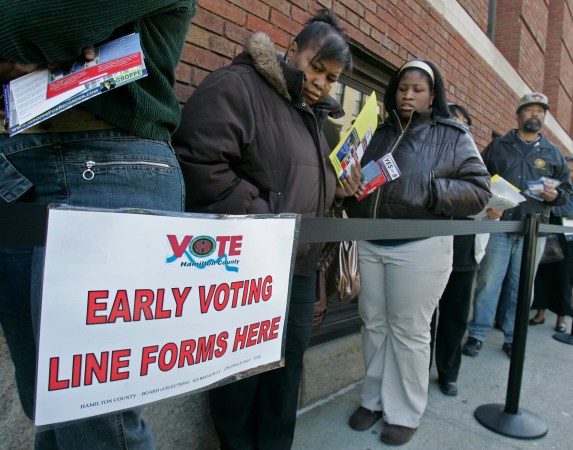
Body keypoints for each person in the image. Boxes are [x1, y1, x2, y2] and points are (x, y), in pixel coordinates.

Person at [0, 1, 195, 449]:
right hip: (17, 164)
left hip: (109, 162)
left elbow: (45, 19)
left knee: (95, 424)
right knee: (45, 407)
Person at [172, 9, 357, 449]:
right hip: (247, 266)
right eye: (316, 68)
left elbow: (304, 187)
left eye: (331, 78)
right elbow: (198, 164)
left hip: (299, 269)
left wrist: (342, 192)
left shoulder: (316, 119)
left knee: (286, 370)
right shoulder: (236, 86)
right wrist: (268, 219)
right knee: (239, 373)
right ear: (292, 50)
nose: (321, 83)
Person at [344, 60, 492, 446]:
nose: (408, 95)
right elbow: (359, 180)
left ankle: (406, 410)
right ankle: (372, 399)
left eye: (418, 89)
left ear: (433, 94)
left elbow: (479, 190)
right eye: (402, 88)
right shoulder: (378, 131)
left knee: (409, 330)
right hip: (371, 242)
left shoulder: (453, 135)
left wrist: (430, 190)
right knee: (373, 323)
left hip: (420, 246)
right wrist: (349, 183)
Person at [462, 92, 573, 359]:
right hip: (500, 227)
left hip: (534, 232)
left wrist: (555, 196)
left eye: (540, 111)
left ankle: (513, 336)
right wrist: (487, 202)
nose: (535, 115)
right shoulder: (499, 146)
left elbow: (567, 191)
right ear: (519, 114)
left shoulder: (554, 154)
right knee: (488, 282)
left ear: (544, 117)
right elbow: (480, 179)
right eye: (530, 110)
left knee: (522, 285)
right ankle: (477, 334)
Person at [429, 102, 485, 397]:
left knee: (455, 316)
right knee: (424, 317)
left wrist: (493, 211)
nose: (458, 126)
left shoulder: (474, 161)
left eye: (464, 123)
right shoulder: (427, 153)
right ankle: (418, 370)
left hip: (462, 252)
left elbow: (484, 197)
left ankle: (448, 373)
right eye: (452, 120)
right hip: (427, 247)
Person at [530, 157, 573, 331]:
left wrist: (550, 202)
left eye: (571, 170)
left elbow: (572, 210)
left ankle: (561, 318)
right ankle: (540, 314)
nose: (567, 172)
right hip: (549, 234)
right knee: (543, 275)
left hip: (570, 240)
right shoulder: (555, 185)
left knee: (564, 279)